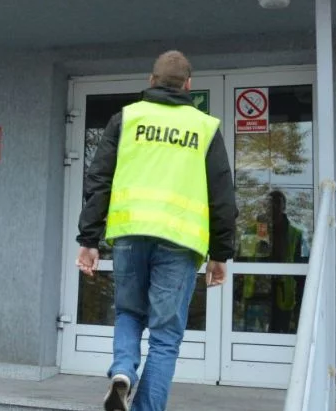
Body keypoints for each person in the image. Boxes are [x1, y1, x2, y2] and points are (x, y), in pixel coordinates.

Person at [76, 51, 237, 411]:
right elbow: (222, 196)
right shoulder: (204, 127)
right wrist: (221, 254)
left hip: (130, 234)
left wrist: (89, 239)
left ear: (151, 81)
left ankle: (123, 371)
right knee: (164, 337)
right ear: (188, 85)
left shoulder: (127, 119)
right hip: (180, 242)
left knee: (129, 313)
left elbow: (98, 180)